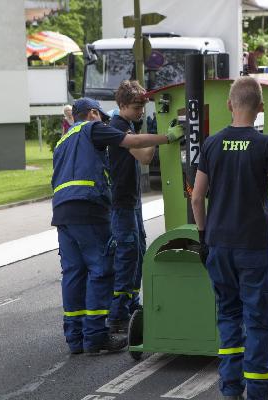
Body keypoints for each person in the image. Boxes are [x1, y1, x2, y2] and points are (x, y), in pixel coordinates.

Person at [191, 77, 268, 400]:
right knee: (257, 321)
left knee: (227, 316)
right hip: (252, 248)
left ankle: (230, 389)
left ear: (229, 105)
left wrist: (203, 238)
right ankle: (257, 391)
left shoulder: (211, 144)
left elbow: (197, 198)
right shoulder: (267, 145)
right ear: (261, 107)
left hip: (218, 246)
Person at [51, 97, 183, 355]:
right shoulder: (91, 128)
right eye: (100, 115)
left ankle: (75, 338)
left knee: (74, 273)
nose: (104, 121)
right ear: (91, 114)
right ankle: (96, 336)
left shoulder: (62, 141)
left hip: (62, 212)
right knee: (101, 270)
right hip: (88, 208)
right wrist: (166, 137)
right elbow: (132, 142)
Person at [107, 81, 153, 333]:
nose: (141, 112)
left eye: (143, 107)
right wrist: (158, 136)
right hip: (123, 203)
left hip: (131, 202)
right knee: (127, 255)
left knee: (138, 252)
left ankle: (133, 305)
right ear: (122, 105)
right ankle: (118, 315)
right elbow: (145, 156)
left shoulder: (127, 125)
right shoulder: (119, 128)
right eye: (137, 107)